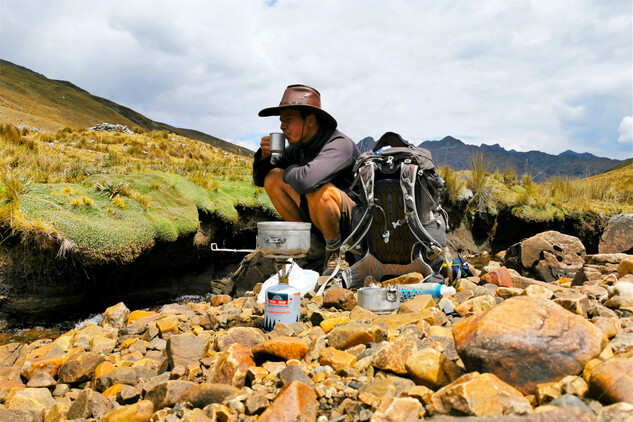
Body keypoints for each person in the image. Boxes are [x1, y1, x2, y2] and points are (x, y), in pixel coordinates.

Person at [253, 84, 360, 275]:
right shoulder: (300, 147)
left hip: (353, 228)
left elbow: (306, 181)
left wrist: (291, 168)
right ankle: (311, 246)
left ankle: (336, 254)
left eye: (288, 119)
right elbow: (261, 180)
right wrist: (263, 157)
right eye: (281, 120)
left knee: (319, 190)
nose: (281, 126)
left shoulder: (339, 144)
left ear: (310, 120)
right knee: (273, 178)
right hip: (320, 219)